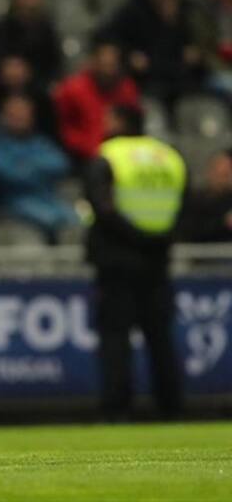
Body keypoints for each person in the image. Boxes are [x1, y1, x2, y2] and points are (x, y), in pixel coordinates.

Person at [85, 104, 187, 420]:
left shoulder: (109, 155)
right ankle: (171, 408)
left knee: (116, 339)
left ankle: (117, 408)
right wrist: (157, 237)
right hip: (158, 259)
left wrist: (133, 237)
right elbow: (184, 204)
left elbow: (102, 207)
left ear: (119, 121)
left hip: (117, 261)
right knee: (160, 338)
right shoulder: (169, 157)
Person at [0, 93, 76, 241]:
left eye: (24, 114)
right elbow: (9, 175)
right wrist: (39, 169)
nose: (21, 118)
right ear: (4, 116)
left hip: (48, 198)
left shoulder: (40, 141)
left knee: (74, 223)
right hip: (12, 203)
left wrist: (26, 165)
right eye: (15, 114)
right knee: (47, 223)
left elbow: (61, 164)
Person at [54, 39, 140, 166]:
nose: (108, 69)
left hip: (123, 154)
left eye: (112, 64)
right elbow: (64, 128)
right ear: (93, 62)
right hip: (81, 157)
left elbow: (135, 125)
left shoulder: (128, 88)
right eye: (104, 63)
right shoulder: (72, 89)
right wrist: (93, 148)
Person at [181, 150, 232, 243]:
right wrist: (223, 223)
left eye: (226, 174)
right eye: (218, 173)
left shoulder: (229, 200)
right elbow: (190, 230)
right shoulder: (196, 200)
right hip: (200, 252)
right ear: (209, 172)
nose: (221, 179)